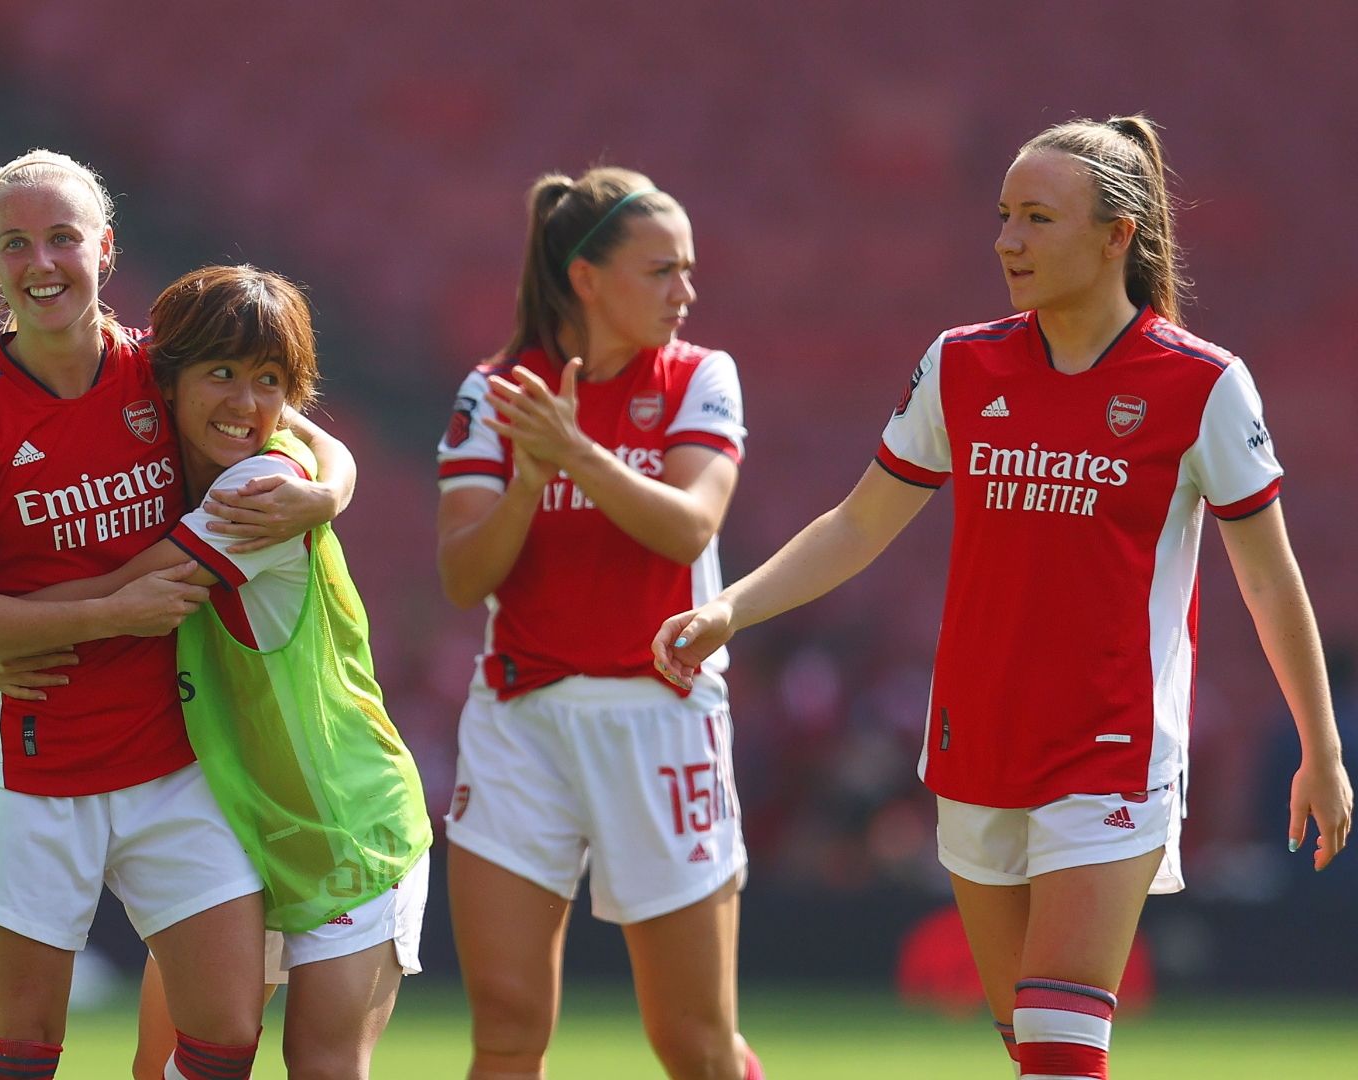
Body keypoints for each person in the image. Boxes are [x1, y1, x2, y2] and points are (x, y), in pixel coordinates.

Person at [656, 115, 1353, 1080]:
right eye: (1003, 216)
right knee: (1032, 1047)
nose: (1007, 241)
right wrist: (730, 608)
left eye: (1037, 218)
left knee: (1061, 1047)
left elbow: (1270, 577)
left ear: (1117, 236)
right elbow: (857, 525)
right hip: (974, 743)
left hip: (1111, 753)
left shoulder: (1202, 384)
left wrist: (1322, 745)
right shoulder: (960, 363)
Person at [0, 153, 353, 1080]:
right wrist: (110, 613)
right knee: (19, 1055)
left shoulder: (163, 371)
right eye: (16, 243)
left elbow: (288, 426)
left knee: (225, 1040)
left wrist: (330, 490)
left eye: (63, 237)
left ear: (105, 248)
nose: (41, 262)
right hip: (30, 764)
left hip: (177, 757)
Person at [435, 167, 763, 1080]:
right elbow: (463, 576)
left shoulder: (701, 376)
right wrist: (527, 487)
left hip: (662, 716)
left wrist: (574, 453)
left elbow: (691, 524)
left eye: (687, 269)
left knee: (693, 1043)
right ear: (586, 277)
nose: (685, 291)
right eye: (662, 270)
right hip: (519, 722)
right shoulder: (496, 392)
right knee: (506, 1026)